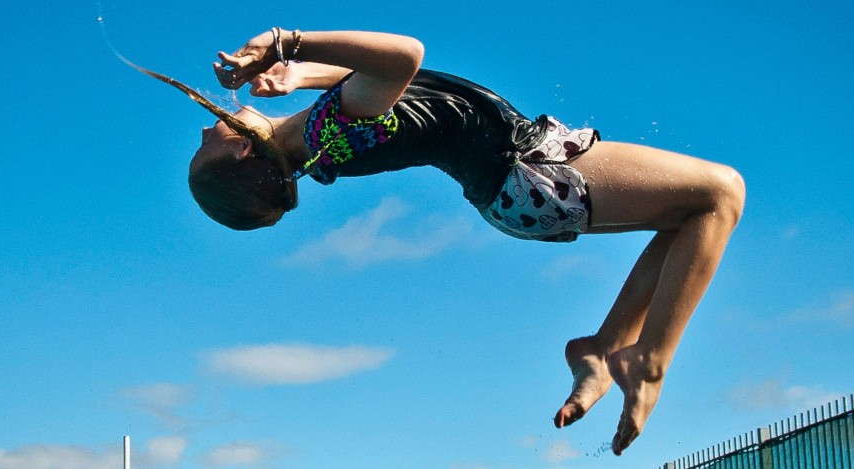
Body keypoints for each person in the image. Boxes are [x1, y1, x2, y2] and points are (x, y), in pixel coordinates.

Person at [187, 28, 745, 455]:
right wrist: (287, 41)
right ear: (242, 156)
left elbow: (378, 78)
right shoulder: (325, 130)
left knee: (687, 221)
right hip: (528, 171)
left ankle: (602, 349)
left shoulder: (320, 137)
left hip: (516, 184)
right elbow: (405, 55)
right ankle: (649, 361)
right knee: (721, 194)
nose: (204, 128)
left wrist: (298, 73)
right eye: (205, 146)